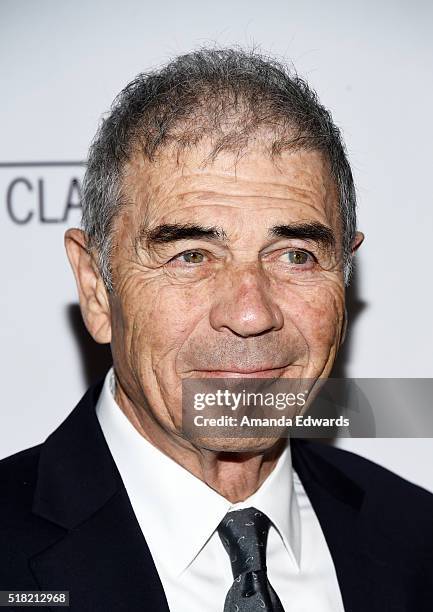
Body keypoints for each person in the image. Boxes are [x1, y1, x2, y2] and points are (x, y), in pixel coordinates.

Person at [1, 48, 432, 612]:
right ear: (96, 288)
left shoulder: (417, 541)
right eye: (190, 255)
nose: (251, 314)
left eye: (296, 256)